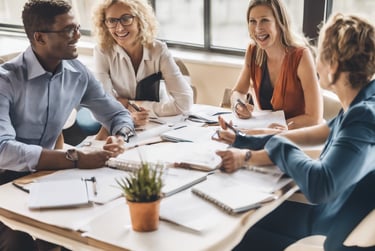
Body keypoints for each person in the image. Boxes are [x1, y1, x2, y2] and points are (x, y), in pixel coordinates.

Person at [214, 12, 375, 251]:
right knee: (238, 218)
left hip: (329, 233)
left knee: (233, 235)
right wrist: (243, 140)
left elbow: (320, 185)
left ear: (334, 65)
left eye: (321, 54)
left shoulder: (362, 117)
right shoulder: (359, 105)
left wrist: (279, 146)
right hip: (330, 218)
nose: (316, 61)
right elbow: (314, 134)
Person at [0, 0, 134, 250]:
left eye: (78, 28)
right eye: (68, 30)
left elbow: (117, 114)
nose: (77, 36)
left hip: (45, 178)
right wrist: (75, 158)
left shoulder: (77, 72)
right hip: (4, 182)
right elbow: (2, 150)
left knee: (93, 227)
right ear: (39, 37)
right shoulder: (6, 81)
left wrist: (121, 137)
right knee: (19, 241)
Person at [92, 0, 193, 139]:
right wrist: (128, 115)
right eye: (112, 21)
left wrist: (129, 104)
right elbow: (103, 104)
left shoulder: (158, 49)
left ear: (140, 19)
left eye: (126, 19)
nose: (119, 28)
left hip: (160, 124)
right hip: (122, 123)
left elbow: (184, 103)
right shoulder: (102, 51)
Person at [230, 0, 323, 133]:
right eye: (252, 21)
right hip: (266, 135)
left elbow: (315, 117)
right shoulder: (253, 51)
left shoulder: (301, 56)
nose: (257, 28)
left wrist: (283, 127)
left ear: (280, 23)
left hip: (298, 136)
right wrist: (238, 105)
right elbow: (238, 91)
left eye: (264, 20)